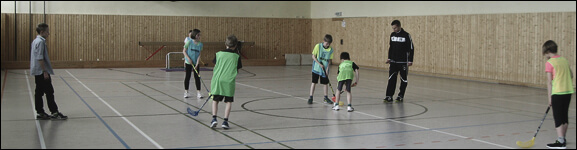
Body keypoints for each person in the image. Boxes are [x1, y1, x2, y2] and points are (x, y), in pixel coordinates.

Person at [30, 23, 67, 120]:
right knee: (49, 91)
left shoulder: (35, 41)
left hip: (37, 71)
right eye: (47, 31)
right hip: (41, 71)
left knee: (39, 92)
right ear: (42, 32)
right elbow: (40, 58)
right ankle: (54, 112)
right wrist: (44, 71)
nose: (48, 33)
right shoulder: (41, 42)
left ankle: (40, 112)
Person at [542, 40, 574, 149]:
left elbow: (549, 82)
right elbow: (571, 75)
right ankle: (563, 138)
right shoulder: (564, 60)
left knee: (558, 117)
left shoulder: (550, 63)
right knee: (564, 116)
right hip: (568, 91)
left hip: (558, 92)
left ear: (548, 51)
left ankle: (560, 142)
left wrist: (549, 97)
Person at [209, 34, 243, 129]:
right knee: (228, 102)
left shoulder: (218, 54)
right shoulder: (236, 56)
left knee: (215, 100)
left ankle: (214, 119)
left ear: (225, 44)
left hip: (217, 80)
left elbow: (215, 66)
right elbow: (237, 70)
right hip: (229, 81)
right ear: (235, 45)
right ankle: (225, 121)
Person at [384, 20, 414, 103]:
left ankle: (401, 95)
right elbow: (391, 47)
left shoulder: (406, 35)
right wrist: (389, 58)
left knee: (403, 79)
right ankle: (389, 96)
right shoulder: (392, 35)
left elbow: (411, 48)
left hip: (403, 62)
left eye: (395, 28)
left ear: (399, 26)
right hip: (393, 62)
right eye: (393, 28)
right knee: (391, 79)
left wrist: (410, 60)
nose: (394, 30)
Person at [308, 34, 335, 105]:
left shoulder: (331, 49)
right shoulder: (318, 46)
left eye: (329, 44)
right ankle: (311, 97)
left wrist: (327, 69)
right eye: (326, 43)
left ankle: (325, 97)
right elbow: (313, 56)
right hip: (316, 68)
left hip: (324, 70)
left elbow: (329, 60)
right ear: (324, 41)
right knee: (314, 82)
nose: (327, 45)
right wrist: (319, 64)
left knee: (325, 83)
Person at [183, 29, 204, 99]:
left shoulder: (200, 44)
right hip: (188, 62)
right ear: (194, 35)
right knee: (187, 77)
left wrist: (197, 63)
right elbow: (184, 51)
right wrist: (188, 59)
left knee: (197, 77)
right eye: (198, 35)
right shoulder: (189, 42)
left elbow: (199, 54)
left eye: (199, 35)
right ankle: (186, 92)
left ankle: (199, 92)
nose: (199, 36)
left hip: (196, 63)